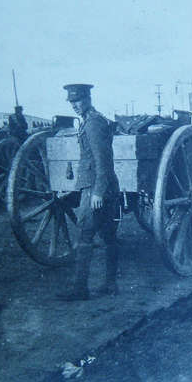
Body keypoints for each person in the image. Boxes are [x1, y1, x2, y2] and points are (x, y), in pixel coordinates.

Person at [57, 84, 120, 302]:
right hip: (101, 186)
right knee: (108, 235)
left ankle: (80, 289)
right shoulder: (89, 120)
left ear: (89, 98)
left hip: (96, 187)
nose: (75, 105)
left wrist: (98, 192)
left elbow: (103, 161)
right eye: (72, 102)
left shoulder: (93, 123)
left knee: (85, 235)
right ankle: (110, 285)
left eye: (78, 101)